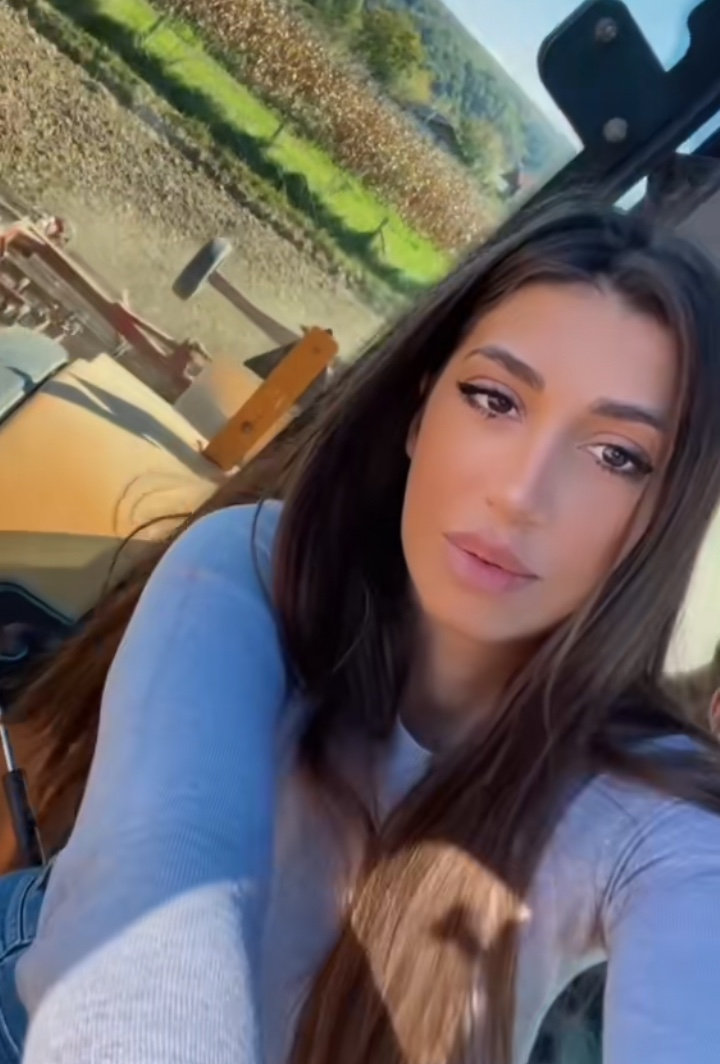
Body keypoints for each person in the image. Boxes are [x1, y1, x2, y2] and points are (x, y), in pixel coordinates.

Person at [3, 201, 720, 1064]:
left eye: (618, 457)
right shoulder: (262, 570)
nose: (521, 494)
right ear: (420, 414)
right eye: (494, 399)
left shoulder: (652, 815)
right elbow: (158, 876)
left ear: (666, 517)